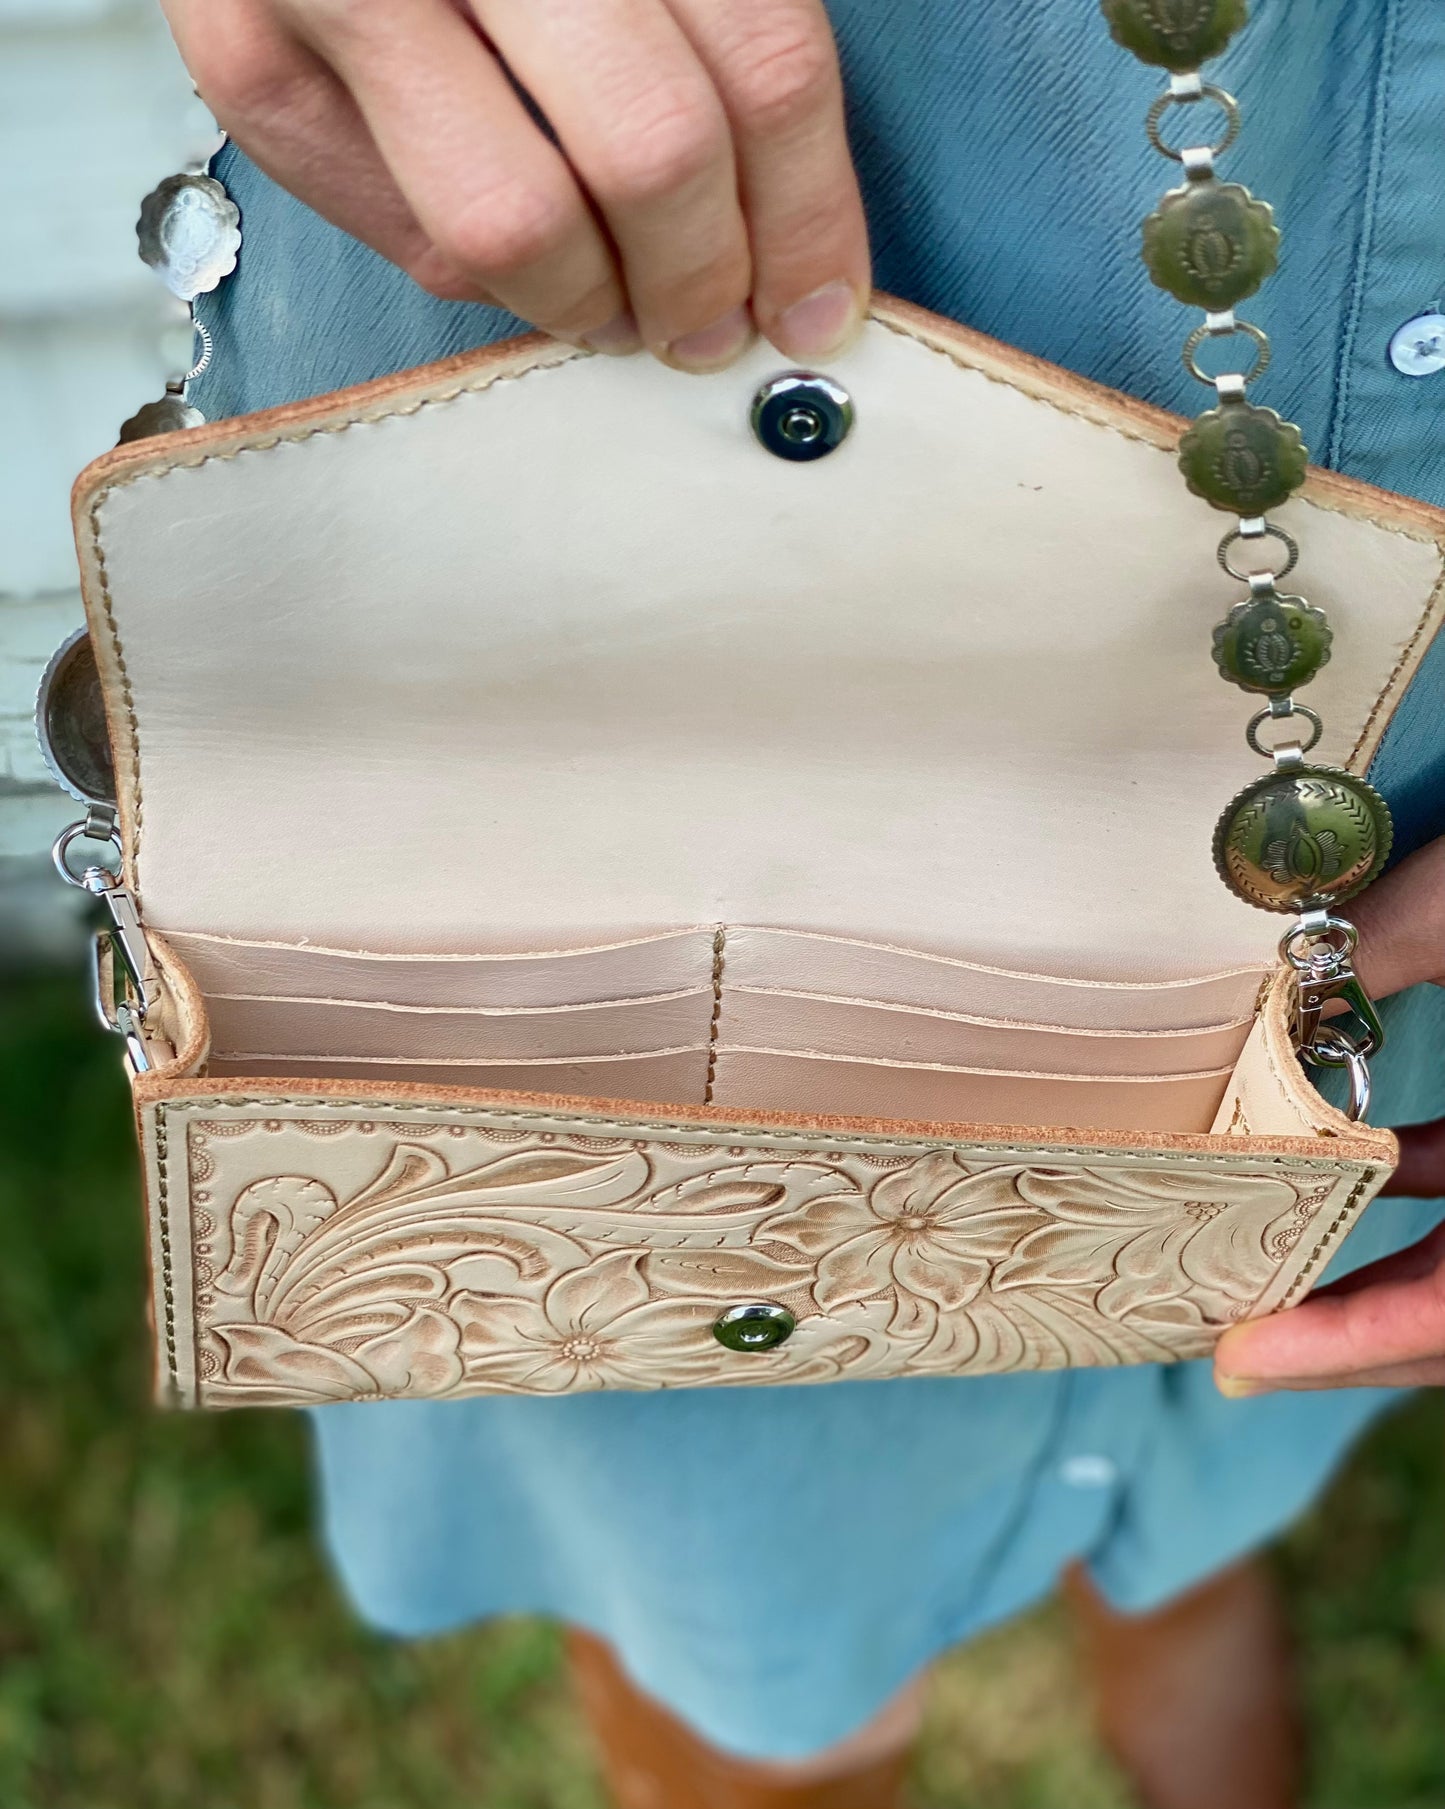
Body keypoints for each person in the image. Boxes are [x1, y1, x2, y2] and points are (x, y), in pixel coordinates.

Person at [162, 2, 1445, 1804]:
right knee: (747, 1632)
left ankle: (1174, 1579)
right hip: (587, 389)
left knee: (1229, 1355)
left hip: (1397, 684)